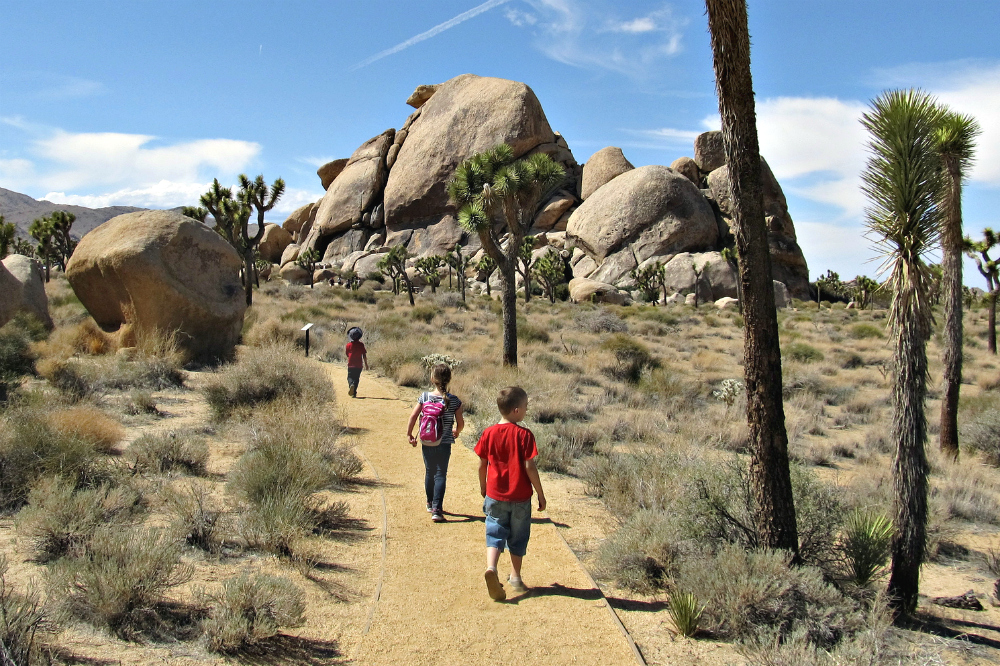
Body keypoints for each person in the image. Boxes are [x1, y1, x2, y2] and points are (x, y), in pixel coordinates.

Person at [474, 386, 546, 601]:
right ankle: (515, 576)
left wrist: (483, 487)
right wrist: (540, 493)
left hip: (495, 494)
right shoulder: (525, 435)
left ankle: (491, 567)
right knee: (518, 536)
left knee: (494, 531)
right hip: (520, 496)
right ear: (516, 410)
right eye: (525, 407)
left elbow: (481, 465)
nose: (526, 410)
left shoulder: (488, 433)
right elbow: (529, 467)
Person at [406, 364, 464, 522]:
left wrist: (410, 434)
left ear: (432, 379)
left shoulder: (424, 397)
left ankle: (430, 502)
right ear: (449, 379)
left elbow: (413, 416)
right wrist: (457, 431)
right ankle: (437, 509)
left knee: (429, 471)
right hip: (444, 443)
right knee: (440, 474)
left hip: (427, 441)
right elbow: (460, 422)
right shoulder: (454, 401)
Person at [345, 327, 369, 398]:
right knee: (356, 378)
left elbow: (347, 354)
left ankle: (351, 385)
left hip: (351, 364)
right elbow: (364, 355)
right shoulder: (361, 345)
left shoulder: (348, 345)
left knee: (349, 377)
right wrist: (366, 364)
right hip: (359, 365)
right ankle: (354, 393)